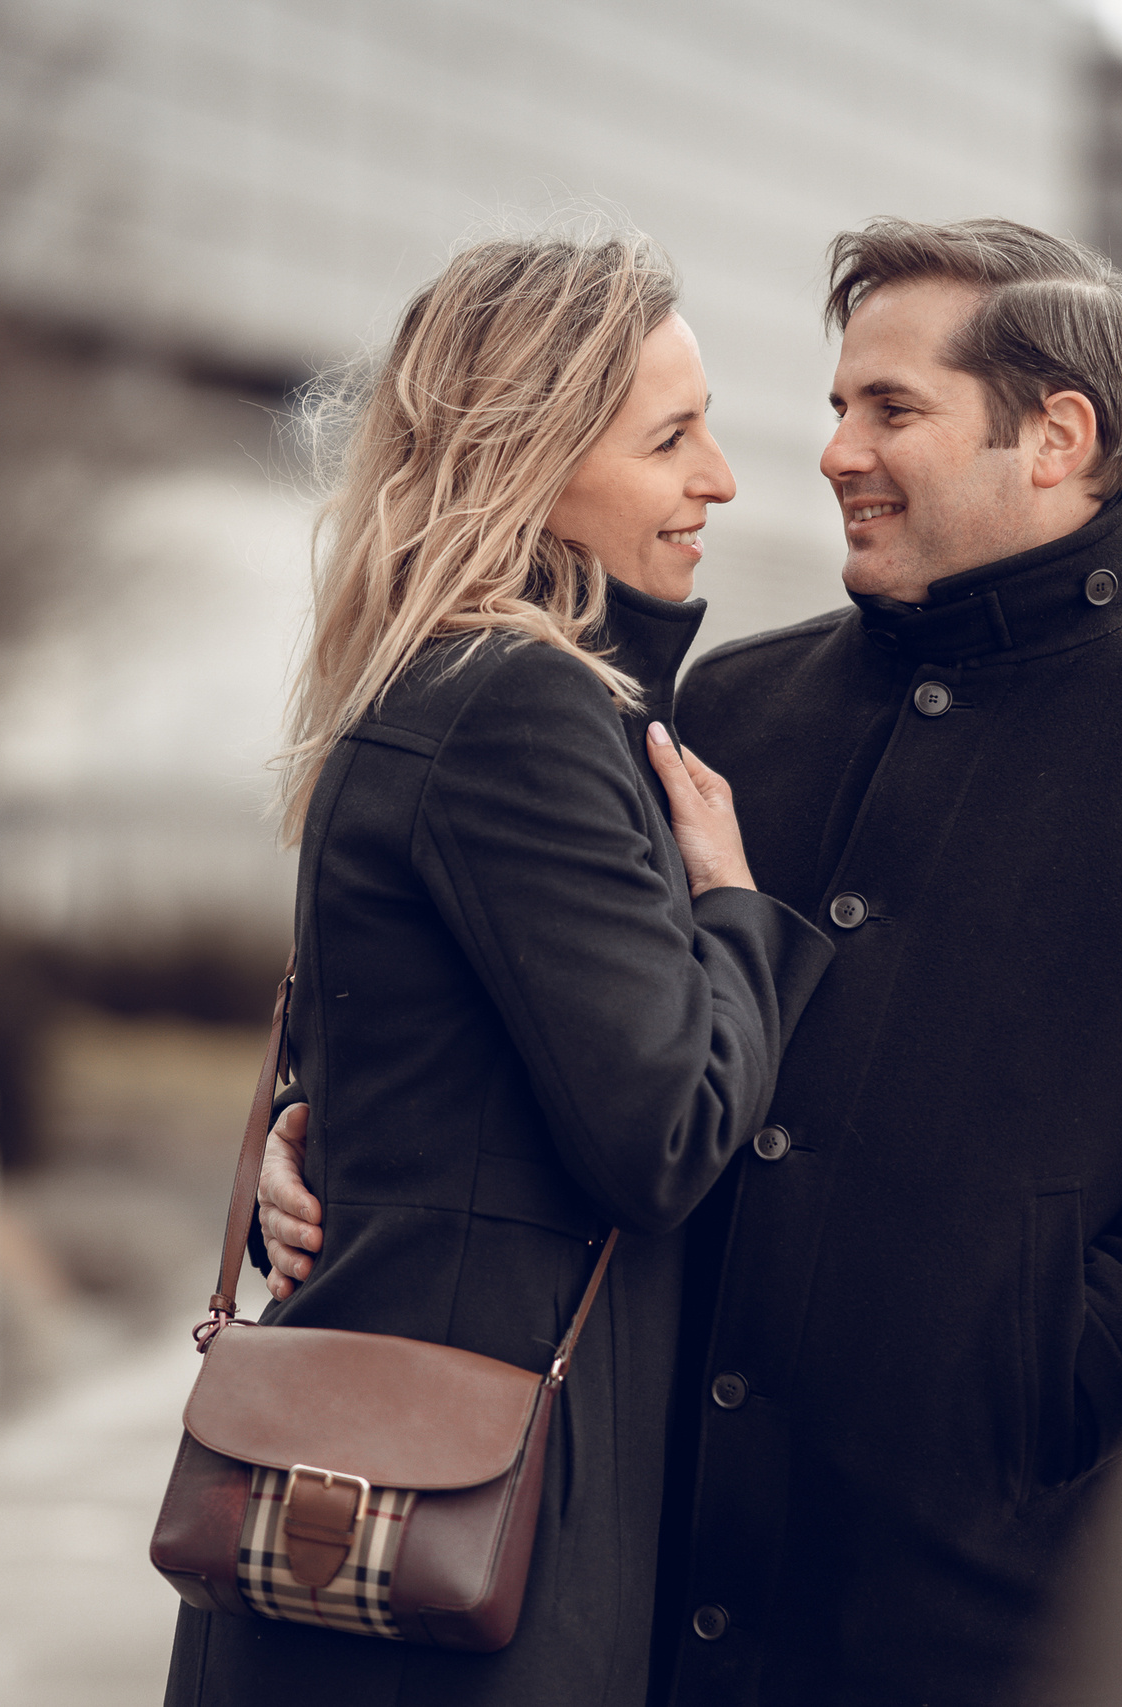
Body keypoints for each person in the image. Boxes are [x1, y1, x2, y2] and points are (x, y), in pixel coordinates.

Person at [260, 216, 1122, 1704]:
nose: (834, 448)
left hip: (968, 1605)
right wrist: (314, 1127)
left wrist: (1040, 1383)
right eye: (841, 402)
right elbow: (508, 976)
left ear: (1054, 436)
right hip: (623, 1561)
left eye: (891, 409)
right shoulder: (724, 701)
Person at [167, 232, 835, 1707]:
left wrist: (310, 1132)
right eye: (673, 439)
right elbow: (662, 1135)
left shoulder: (438, 687)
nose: (721, 478)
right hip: (456, 1537)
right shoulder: (521, 708)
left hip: (389, 1494)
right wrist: (733, 912)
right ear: (531, 463)